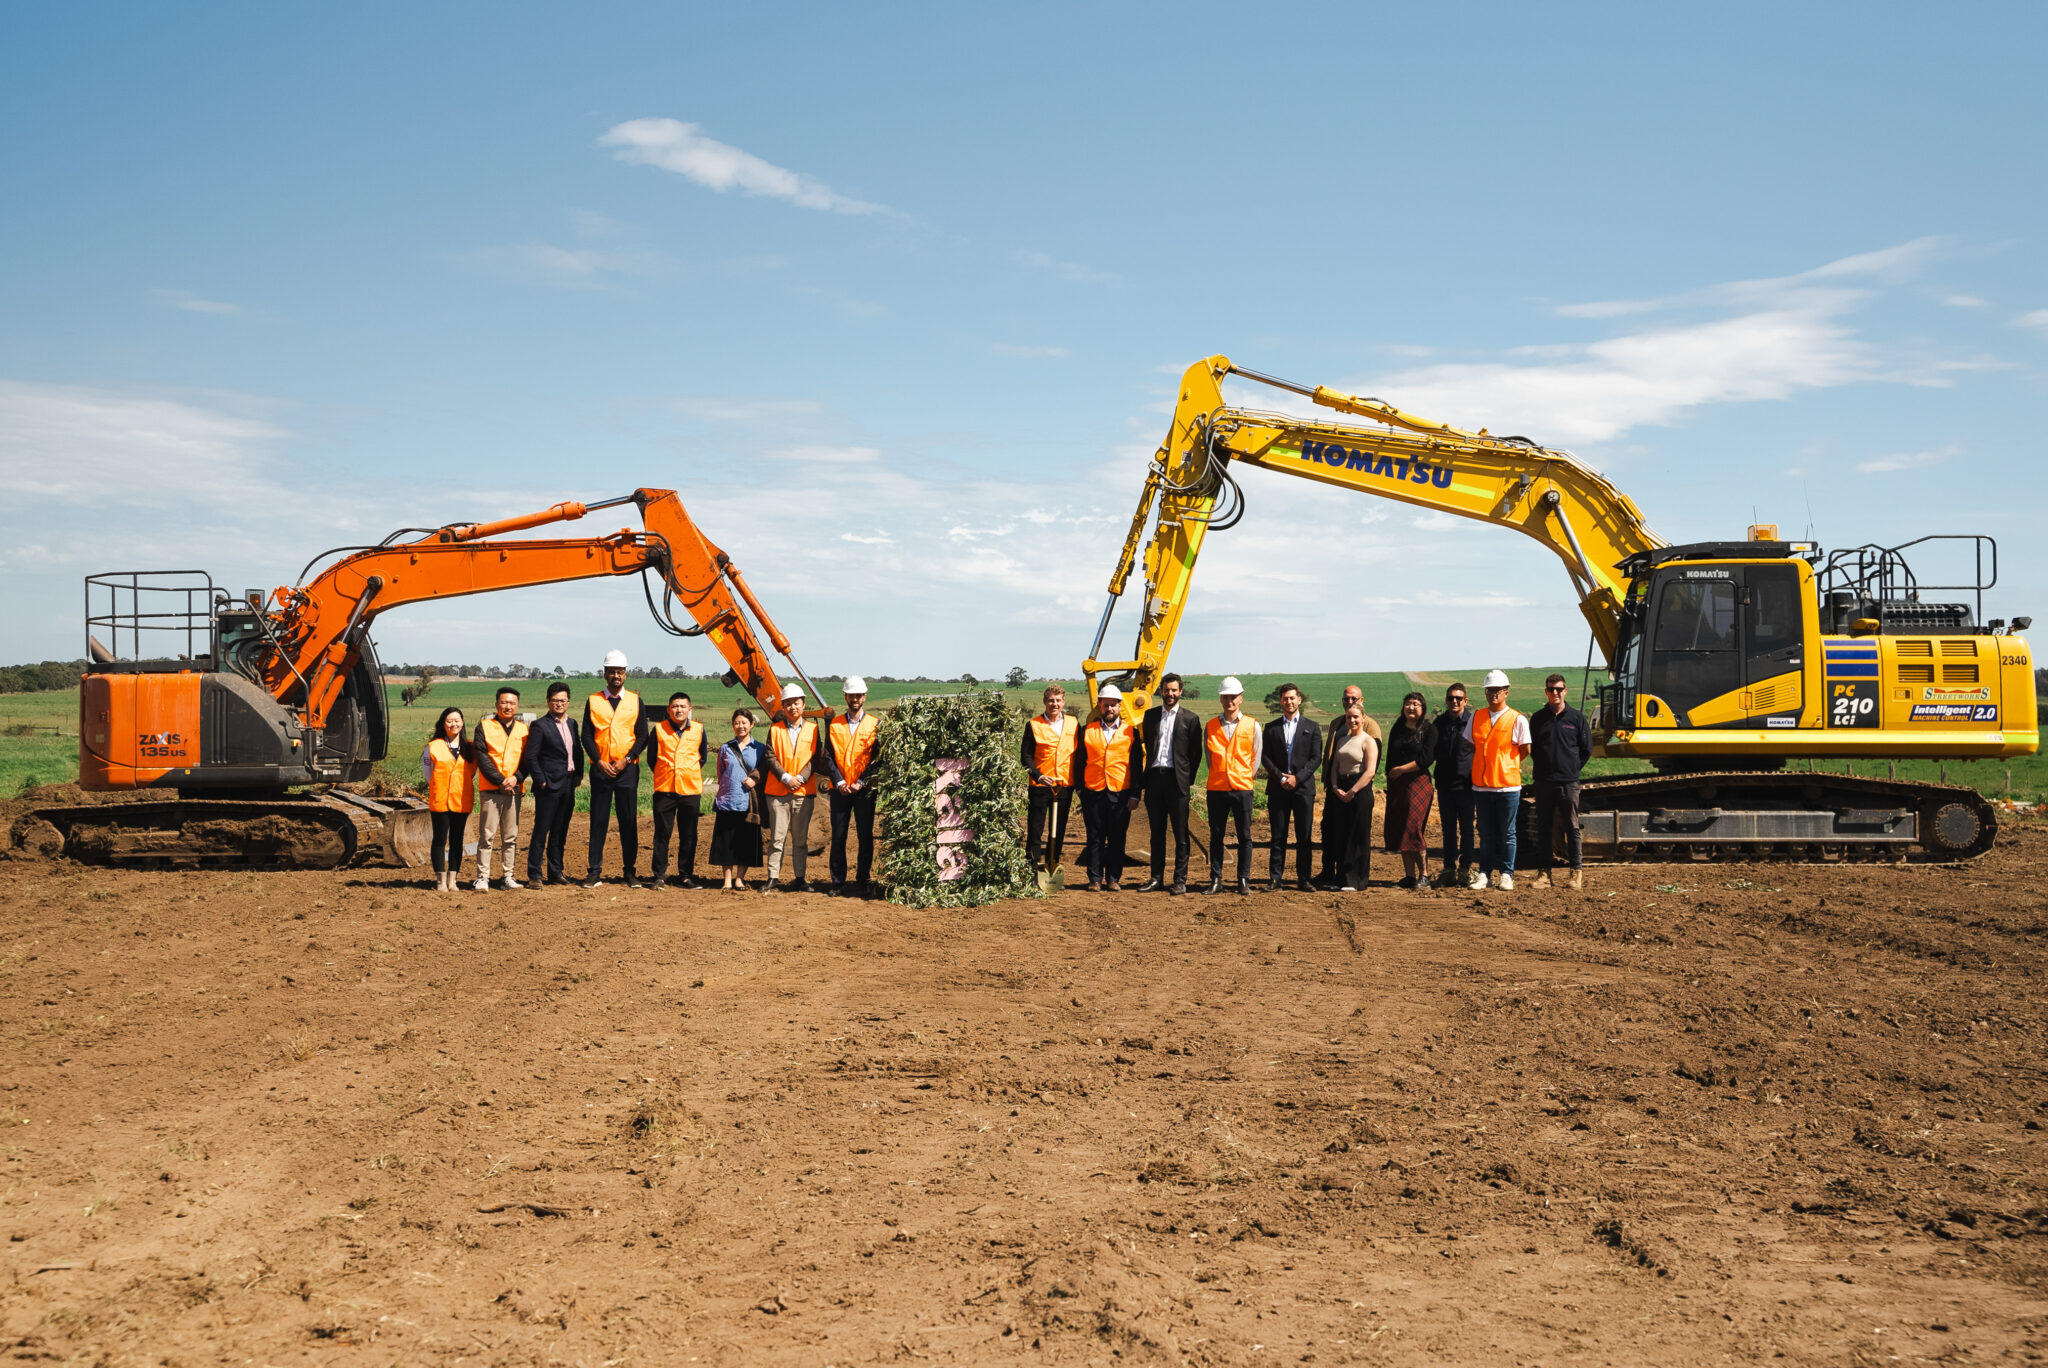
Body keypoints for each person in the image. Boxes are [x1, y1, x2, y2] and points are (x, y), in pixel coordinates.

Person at [581, 650, 650, 889]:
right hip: (600, 769)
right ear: (604, 674)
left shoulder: (635, 700)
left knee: (628, 821)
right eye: (611, 672)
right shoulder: (593, 700)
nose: (616, 676)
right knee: (598, 821)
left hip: (626, 770)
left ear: (625, 674)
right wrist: (599, 761)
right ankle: (594, 871)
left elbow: (642, 736)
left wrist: (628, 759)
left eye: (620, 672)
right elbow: (586, 736)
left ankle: (630, 871)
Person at [762, 683, 837, 893]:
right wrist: (786, 777)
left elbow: (815, 758)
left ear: (803, 705)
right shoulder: (775, 729)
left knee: (800, 839)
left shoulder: (813, 729)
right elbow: (770, 755)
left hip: (803, 792)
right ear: (783, 707)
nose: (792, 707)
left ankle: (800, 878)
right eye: (788, 704)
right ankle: (772, 878)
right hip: (777, 792)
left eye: (796, 703)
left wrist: (801, 779)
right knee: (777, 838)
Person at [1136, 673, 1203, 895]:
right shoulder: (1150, 716)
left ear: (1180, 691)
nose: (1170, 694)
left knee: (1180, 834)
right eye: (1166, 690)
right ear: (1161, 691)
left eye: (1174, 690)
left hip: (1178, 782)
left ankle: (1180, 880)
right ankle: (1156, 878)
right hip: (1155, 779)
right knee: (1157, 833)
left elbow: (1196, 754)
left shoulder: (1190, 719)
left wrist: (1186, 781)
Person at [1464, 669, 1532, 890]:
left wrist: (1504, 764)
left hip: (1507, 786)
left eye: (1497, 690)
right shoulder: (1476, 717)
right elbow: (1472, 744)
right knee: (1485, 833)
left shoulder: (1517, 719)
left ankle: (1507, 874)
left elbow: (1525, 749)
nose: (1493, 694)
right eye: (1489, 690)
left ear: (1506, 691)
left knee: (1508, 832)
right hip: (1482, 786)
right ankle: (1484, 873)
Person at [1529, 673, 1594, 891]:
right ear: (1546, 691)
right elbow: (1534, 751)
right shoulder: (1538, 719)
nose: (1554, 693)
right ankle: (1544, 874)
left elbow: (1586, 750)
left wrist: (1571, 769)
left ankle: (1576, 873)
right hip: (1544, 782)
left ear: (1565, 690)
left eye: (1558, 689)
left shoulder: (1576, 719)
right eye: (1550, 689)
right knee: (1545, 828)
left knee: (1571, 827)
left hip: (1568, 783)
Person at [521, 680, 583, 886]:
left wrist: (578, 775)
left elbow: (577, 750)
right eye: (555, 700)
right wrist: (542, 781)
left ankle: (556, 872)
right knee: (542, 829)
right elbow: (532, 757)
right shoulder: (540, 725)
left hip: (568, 784)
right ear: (548, 702)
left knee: (560, 830)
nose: (559, 704)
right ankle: (535, 874)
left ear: (568, 702)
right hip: (548, 786)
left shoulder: (572, 723)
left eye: (562, 700)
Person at [1078, 684, 1139, 891]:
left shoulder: (1131, 732)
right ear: (1100, 706)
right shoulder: (1087, 731)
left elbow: (1136, 766)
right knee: (1094, 837)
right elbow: (1079, 762)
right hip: (1093, 792)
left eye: (1113, 705)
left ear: (1120, 706)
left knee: (1117, 837)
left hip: (1120, 792)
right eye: (1106, 705)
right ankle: (1094, 879)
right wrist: (1080, 790)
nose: (1109, 709)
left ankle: (1113, 879)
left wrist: (1135, 794)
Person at [1317, 687, 1379, 889]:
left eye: (1353, 699)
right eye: (1346, 699)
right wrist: (1333, 785)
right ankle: (1334, 875)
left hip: (1359, 787)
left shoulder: (1371, 729)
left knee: (1356, 835)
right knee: (1335, 832)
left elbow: (1371, 767)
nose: (1351, 719)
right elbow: (1333, 759)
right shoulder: (1338, 727)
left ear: (1362, 702)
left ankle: (1356, 879)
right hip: (1337, 788)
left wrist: (1355, 789)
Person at [1261, 683, 1321, 891]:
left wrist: (1297, 778)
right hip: (1278, 789)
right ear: (1280, 701)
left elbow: (1316, 758)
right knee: (1278, 835)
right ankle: (1275, 878)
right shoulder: (1271, 728)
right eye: (1285, 699)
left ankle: (1304, 878)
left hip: (1303, 789)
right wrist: (1280, 778)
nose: (1289, 702)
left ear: (1299, 700)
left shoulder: (1312, 727)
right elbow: (1265, 757)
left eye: (1292, 698)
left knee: (1304, 836)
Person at [1201, 677, 1259, 896]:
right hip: (1216, 788)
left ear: (1240, 698)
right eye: (1225, 697)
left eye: (1233, 697)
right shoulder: (1210, 726)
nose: (1229, 701)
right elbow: (1209, 759)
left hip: (1242, 788)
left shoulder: (1252, 725)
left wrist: (1242, 777)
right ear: (1220, 699)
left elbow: (1256, 758)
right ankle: (1216, 879)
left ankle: (1243, 880)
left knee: (1245, 835)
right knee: (1216, 835)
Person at [648, 691, 709, 889]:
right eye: (675, 706)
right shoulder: (658, 730)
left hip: (689, 790)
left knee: (689, 835)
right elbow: (652, 759)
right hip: (664, 789)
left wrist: (686, 772)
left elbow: (702, 757)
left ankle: (685, 875)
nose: (679, 710)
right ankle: (659, 875)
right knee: (662, 834)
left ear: (689, 709)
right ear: (668, 709)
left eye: (683, 706)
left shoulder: (699, 730)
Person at [827, 677, 881, 898]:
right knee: (838, 836)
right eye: (851, 695)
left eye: (858, 695)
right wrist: (840, 782)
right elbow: (828, 756)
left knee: (865, 836)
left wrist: (861, 782)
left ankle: (863, 880)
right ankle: (838, 882)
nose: (855, 699)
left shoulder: (875, 724)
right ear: (845, 696)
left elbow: (878, 759)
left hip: (864, 790)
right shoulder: (834, 724)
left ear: (864, 697)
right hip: (839, 790)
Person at [471, 687, 529, 891]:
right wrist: (501, 781)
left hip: (514, 790)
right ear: (496, 704)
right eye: (504, 702)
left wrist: (516, 779)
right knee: (487, 836)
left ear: (517, 705)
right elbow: (482, 758)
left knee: (510, 837)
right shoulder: (484, 727)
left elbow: (527, 760)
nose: (508, 706)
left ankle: (508, 876)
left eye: (512, 703)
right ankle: (482, 877)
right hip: (491, 791)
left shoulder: (523, 729)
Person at [1020, 683, 1080, 878]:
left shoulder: (1073, 723)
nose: (1055, 704)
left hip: (1064, 785)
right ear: (1045, 702)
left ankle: (1051, 870)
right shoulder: (1034, 724)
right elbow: (1026, 756)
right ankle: (1030, 874)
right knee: (1035, 831)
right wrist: (1038, 775)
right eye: (1051, 700)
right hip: (1040, 786)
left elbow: (1079, 754)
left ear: (1064, 702)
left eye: (1058, 700)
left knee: (1058, 830)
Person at [1383, 692, 1438, 888]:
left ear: (1422, 708)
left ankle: (1424, 875)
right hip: (1397, 785)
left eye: (1416, 704)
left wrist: (1401, 770)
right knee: (1400, 827)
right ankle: (1409, 876)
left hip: (1419, 783)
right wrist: (1391, 774)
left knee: (1413, 827)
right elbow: (1390, 757)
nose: (1411, 707)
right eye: (1408, 703)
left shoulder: (1429, 729)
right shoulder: (1397, 728)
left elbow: (1426, 759)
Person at [709, 708, 766, 890]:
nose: (740, 726)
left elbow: (764, 771)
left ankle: (740, 879)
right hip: (727, 801)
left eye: (744, 723)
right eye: (737, 723)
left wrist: (754, 779)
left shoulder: (760, 749)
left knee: (745, 842)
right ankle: (727, 879)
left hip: (749, 802)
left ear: (752, 725)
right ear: (733, 725)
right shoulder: (726, 748)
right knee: (726, 842)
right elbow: (721, 773)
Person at [420, 706, 475, 892]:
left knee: (457, 839)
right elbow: (428, 773)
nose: (454, 724)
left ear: (463, 722)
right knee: (440, 839)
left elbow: (472, 772)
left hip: (462, 799)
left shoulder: (470, 747)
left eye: (457, 720)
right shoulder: (433, 746)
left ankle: (453, 880)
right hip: (440, 800)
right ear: (443, 724)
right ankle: (440, 881)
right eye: (449, 721)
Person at [1431, 682, 1475, 889]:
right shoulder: (1439, 724)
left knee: (1467, 829)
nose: (1454, 701)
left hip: (1467, 786)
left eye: (1458, 698)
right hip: (1445, 786)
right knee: (1448, 830)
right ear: (1446, 700)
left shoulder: (1474, 722)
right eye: (1450, 698)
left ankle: (1465, 869)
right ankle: (1449, 869)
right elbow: (1430, 752)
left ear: (1465, 700)